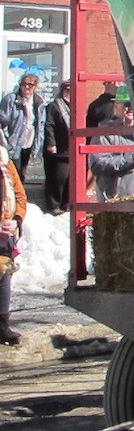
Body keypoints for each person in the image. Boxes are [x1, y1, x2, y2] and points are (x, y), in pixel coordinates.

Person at [89, 87, 134, 202]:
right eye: (126, 104)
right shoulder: (105, 131)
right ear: (115, 106)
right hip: (113, 199)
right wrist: (131, 157)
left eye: (133, 104)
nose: (130, 108)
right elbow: (97, 163)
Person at [0, 129, 27, 345]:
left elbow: (19, 194)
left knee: (4, 279)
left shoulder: (6, 163)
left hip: (6, 232)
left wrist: (16, 220)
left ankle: (2, 326)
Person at [0, 73, 49, 182]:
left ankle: (19, 197)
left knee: (22, 173)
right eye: (24, 84)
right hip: (12, 143)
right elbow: (2, 120)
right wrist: (6, 141)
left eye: (30, 85)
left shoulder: (38, 102)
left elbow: (40, 125)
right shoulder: (10, 99)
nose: (27, 87)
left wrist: (37, 145)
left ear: (35, 87)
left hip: (29, 142)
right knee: (12, 174)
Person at [44, 81, 72, 214]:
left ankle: (67, 203)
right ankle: (54, 205)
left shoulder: (75, 106)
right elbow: (49, 125)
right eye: (67, 88)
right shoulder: (54, 106)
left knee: (70, 178)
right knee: (58, 177)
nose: (69, 91)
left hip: (71, 148)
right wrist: (51, 143)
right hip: (59, 148)